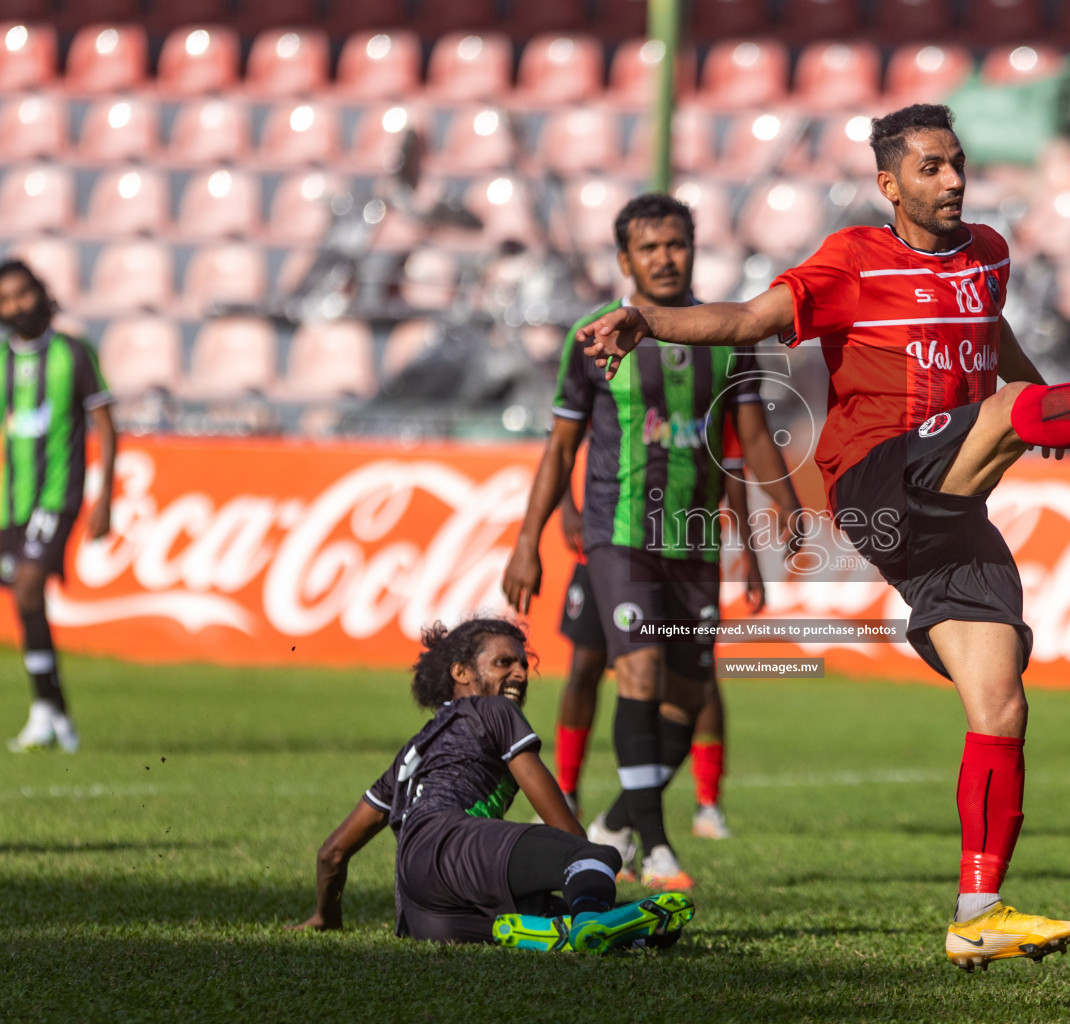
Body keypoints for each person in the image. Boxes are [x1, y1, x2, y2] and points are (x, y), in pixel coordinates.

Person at [577, 105, 1070, 971]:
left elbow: (992, 339)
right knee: (1004, 417)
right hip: (876, 475)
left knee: (1000, 701)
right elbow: (744, 319)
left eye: (958, 162)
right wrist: (645, 319)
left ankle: (978, 909)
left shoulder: (990, 254)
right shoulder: (851, 260)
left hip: (953, 508)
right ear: (890, 185)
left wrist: (1048, 414)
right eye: (931, 168)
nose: (954, 179)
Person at [502, 193, 801, 892]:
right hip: (620, 534)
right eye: (650, 247)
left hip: (693, 544)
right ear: (625, 260)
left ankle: (613, 822)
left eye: (677, 244)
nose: (665, 257)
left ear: (693, 250)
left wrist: (783, 503)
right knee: (632, 672)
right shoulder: (593, 336)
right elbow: (560, 447)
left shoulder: (727, 334)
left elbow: (749, 434)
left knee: (689, 696)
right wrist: (528, 540)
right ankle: (655, 845)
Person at [290, 617, 695, 952]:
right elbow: (563, 827)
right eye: (504, 663)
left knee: (656, 930)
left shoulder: (412, 753)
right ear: (461, 673)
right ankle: (589, 920)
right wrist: (589, 858)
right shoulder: (494, 710)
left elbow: (332, 854)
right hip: (452, 843)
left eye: (523, 664)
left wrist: (327, 918)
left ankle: (577, 929)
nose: (519, 672)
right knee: (595, 854)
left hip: (421, 911)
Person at [550, 420, 764, 839]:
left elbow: (734, 463)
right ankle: (567, 794)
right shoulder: (618, 366)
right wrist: (568, 507)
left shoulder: (713, 373)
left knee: (695, 679)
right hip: (612, 540)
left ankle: (705, 804)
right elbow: (562, 438)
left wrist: (749, 549)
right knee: (586, 664)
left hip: (683, 551)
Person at [0, 260, 116, 754]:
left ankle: (49, 712)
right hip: (11, 503)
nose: (15, 306)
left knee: (29, 587)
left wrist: (104, 495)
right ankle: (53, 712)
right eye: (5, 299)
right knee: (26, 603)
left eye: (22, 295)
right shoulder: (2, 359)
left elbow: (106, 425)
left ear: (41, 294)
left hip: (57, 495)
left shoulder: (74, 353)